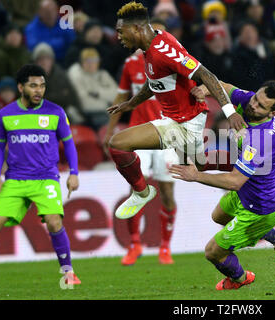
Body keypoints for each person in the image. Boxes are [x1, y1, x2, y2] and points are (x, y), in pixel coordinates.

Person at [106, 2, 246, 220]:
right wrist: (132, 103)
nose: (119, 37)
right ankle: (254, 164)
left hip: (184, 123)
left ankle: (141, 192)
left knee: (118, 144)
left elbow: (206, 75)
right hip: (180, 118)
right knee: (200, 162)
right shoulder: (154, 43)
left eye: (120, 32)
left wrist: (230, 112)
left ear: (135, 29)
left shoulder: (164, 50)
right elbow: (155, 80)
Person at [170, 80, 275, 290]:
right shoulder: (251, 101)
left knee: (212, 252)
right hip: (252, 188)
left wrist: (195, 176)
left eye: (261, 106)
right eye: (256, 98)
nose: (253, 105)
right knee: (218, 216)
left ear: (272, 113)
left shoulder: (261, 139)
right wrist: (204, 89)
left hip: (260, 207)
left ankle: (240, 278)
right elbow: (223, 85)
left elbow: (234, 181)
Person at [0, 64, 81, 285]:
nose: (38, 91)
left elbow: (69, 145)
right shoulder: (5, 115)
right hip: (15, 180)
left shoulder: (56, 112)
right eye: (33, 86)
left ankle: (68, 273)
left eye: (42, 85)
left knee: (54, 222)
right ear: (21, 87)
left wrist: (74, 172)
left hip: (46, 180)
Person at [103, 19, 179, 266]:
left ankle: (165, 246)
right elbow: (121, 96)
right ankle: (135, 244)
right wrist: (110, 131)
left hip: (167, 135)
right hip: (139, 134)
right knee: (136, 189)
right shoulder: (132, 64)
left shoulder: (174, 61)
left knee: (167, 193)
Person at [68, 47, 118, 130]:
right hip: (85, 115)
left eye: (95, 60)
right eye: (88, 61)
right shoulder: (76, 74)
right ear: (82, 62)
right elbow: (83, 101)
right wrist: (105, 101)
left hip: (104, 114)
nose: (91, 64)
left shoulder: (103, 74)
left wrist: (98, 94)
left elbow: (117, 96)